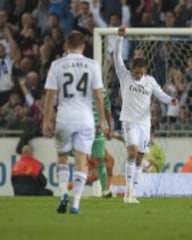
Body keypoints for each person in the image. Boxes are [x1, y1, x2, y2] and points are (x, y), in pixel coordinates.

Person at [43, 30, 105, 214]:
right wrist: (102, 119)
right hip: (86, 119)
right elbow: (98, 96)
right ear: (83, 47)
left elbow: (50, 95)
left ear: (65, 46)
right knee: (81, 161)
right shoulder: (92, 65)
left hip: (64, 118)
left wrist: (46, 120)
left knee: (62, 157)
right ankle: (76, 203)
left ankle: (63, 193)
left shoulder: (57, 65)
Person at [114, 27, 177, 203]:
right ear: (132, 70)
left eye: (141, 74)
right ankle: (127, 192)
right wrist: (119, 39)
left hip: (145, 123)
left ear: (145, 71)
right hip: (129, 121)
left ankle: (134, 192)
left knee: (140, 157)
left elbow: (160, 94)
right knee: (132, 152)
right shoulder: (124, 75)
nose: (138, 76)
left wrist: (170, 100)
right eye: (136, 73)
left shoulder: (149, 81)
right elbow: (117, 58)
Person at [89, 88, 113, 197]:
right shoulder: (80, 87)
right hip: (83, 129)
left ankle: (105, 190)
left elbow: (107, 108)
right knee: (74, 154)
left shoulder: (102, 90)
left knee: (99, 159)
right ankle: (68, 189)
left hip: (98, 132)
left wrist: (109, 127)